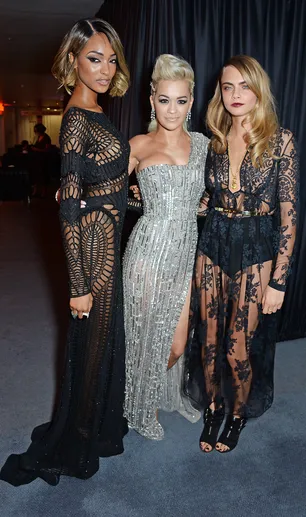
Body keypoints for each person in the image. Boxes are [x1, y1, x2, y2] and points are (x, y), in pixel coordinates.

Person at [0, 17, 130, 486]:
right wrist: (77, 286)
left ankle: (93, 429)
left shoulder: (95, 110)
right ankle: (75, 444)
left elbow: (102, 186)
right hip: (92, 248)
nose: (105, 68)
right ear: (72, 60)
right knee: (92, 348)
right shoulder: (76, 117)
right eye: (94, 59)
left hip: (107, 240)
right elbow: (69, 205)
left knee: (102, 344)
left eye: (111, 59)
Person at [187, 55, 299, 454]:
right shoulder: (214, 138)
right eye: (227, 86)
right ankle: (214, 408)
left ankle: (237, 413)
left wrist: (279, 281)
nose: (235, 95)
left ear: (258, 91)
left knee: (238, 348)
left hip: (255, 248)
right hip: (213, 243)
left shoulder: (280, 140)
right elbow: (207, 199)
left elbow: (288, 216)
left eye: (244, 86)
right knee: (209, 341)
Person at [123, 54, 209, 439]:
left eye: (180, 101)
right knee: (142, 335)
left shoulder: (205, 145)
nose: (171, 110)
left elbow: (218, 190)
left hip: (184, 253)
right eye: (164, 100)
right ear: (152, 99)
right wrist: (75, 193)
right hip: (146, 252)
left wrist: (204, 202)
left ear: (191, 102)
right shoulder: (138, 145)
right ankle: (135, 402)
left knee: (175, 341)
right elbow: (109, 193)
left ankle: (141, 393)